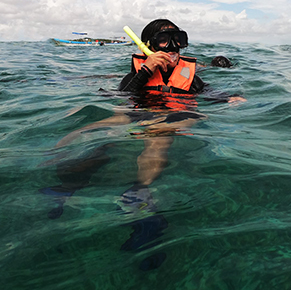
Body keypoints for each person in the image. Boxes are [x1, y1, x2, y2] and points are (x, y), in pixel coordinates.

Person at [42, 19, 245, 270]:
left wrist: (229, 98)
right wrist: (145, 72)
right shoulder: (135, 74)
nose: (172, 48)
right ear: (148, 46)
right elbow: (124, 94)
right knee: (93, 130)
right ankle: (67, 183)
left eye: (178, 40)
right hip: (137, 110)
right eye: (164, 41)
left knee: (158, 139)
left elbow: (209, 93)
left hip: (176, 114)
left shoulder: (190, 78)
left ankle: (139, 192)